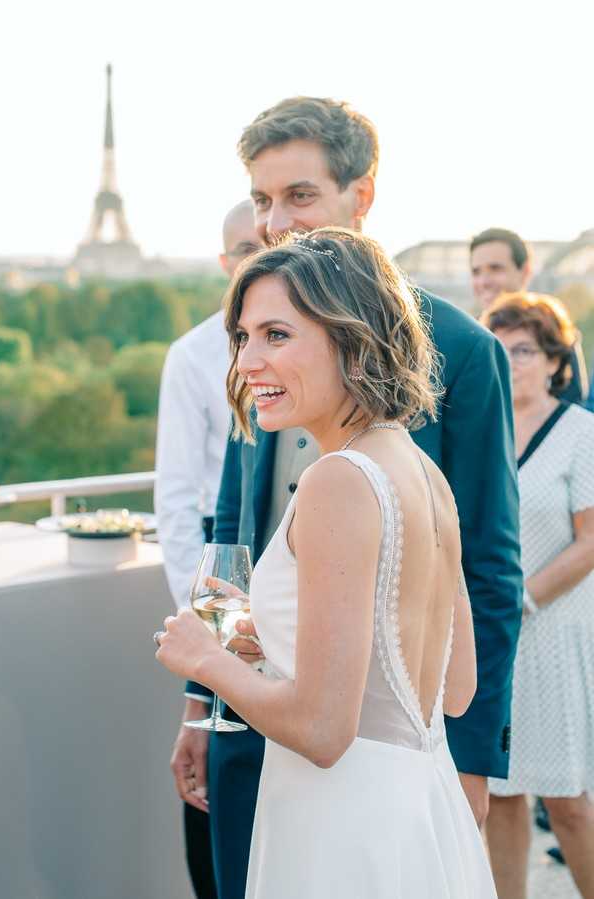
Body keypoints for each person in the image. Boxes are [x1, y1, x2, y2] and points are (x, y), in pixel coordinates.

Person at [183, 97, 522, 899]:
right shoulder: (311, 394)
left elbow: (491, 570)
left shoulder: (460, 354)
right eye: (262, 200)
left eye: (297, 195)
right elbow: (234, 534)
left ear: (359, 194)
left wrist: (471, 760)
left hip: (353, 773)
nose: (275, 222)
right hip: (284, 738)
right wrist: (206, 698)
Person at [154, 199, 260, 899]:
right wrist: (213, 632)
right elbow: (177, 505)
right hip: (225, 599)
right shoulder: (192, 355)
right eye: (246, 249)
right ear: (226, 264)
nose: (262, 255)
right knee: (218, 803)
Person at [481, 291, 594, 899]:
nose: (510, 362)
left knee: (567, 798)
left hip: (554, 631)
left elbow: (591, 541)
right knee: (501, 793)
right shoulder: (482, 430)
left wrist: (522, 600)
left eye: (523, 350)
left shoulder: (582, 433)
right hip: (494, 639)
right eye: (498, 350)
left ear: (554, 359)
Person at [470, 227, 587, 403]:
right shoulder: (466, 336)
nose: (484, 281)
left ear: (525, 272)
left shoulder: (555, 332)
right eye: (476, 272)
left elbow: (572, 403)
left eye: (495, 269)